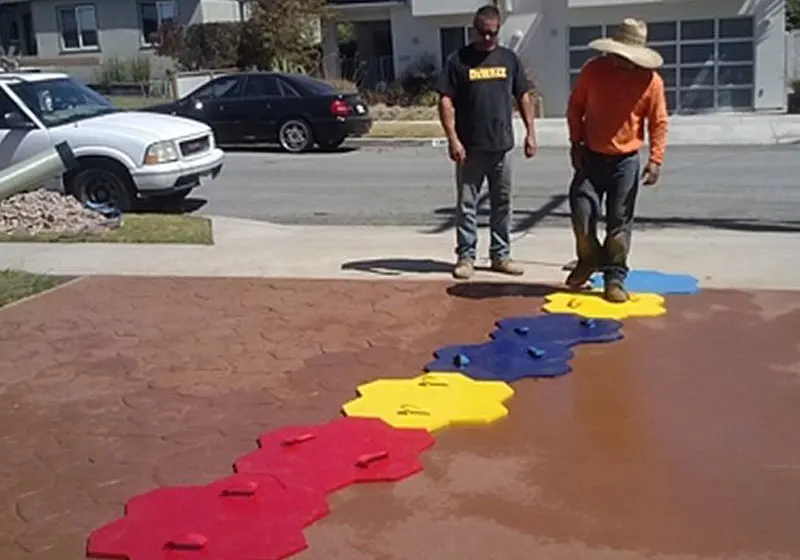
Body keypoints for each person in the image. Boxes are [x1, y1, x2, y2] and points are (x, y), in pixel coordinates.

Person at [565, 18, 669, 302]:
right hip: (592, 156)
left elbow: (658, 122)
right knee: (581, 213)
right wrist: (575, 142)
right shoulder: (594, 71)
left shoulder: (651, 82)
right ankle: (588, 258)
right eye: (620, 55)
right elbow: (576, 107)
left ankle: (615, 277)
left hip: (626, 161)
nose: (624, 62)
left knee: (618, 225)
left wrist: (656, 159)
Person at [436, 4, 537, 281]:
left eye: (493, 33)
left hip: (502, 146)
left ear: (499, 30)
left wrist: (531, 133)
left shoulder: (509, 59)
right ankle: (466, 257)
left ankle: (500, 255)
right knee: (467, 205)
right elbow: (445, 99)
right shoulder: (458, 60)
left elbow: (524, 95)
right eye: (483, 33)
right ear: (474, 30)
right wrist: (453, 139)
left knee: (502, 204)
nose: (488, 38)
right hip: (470, 148)